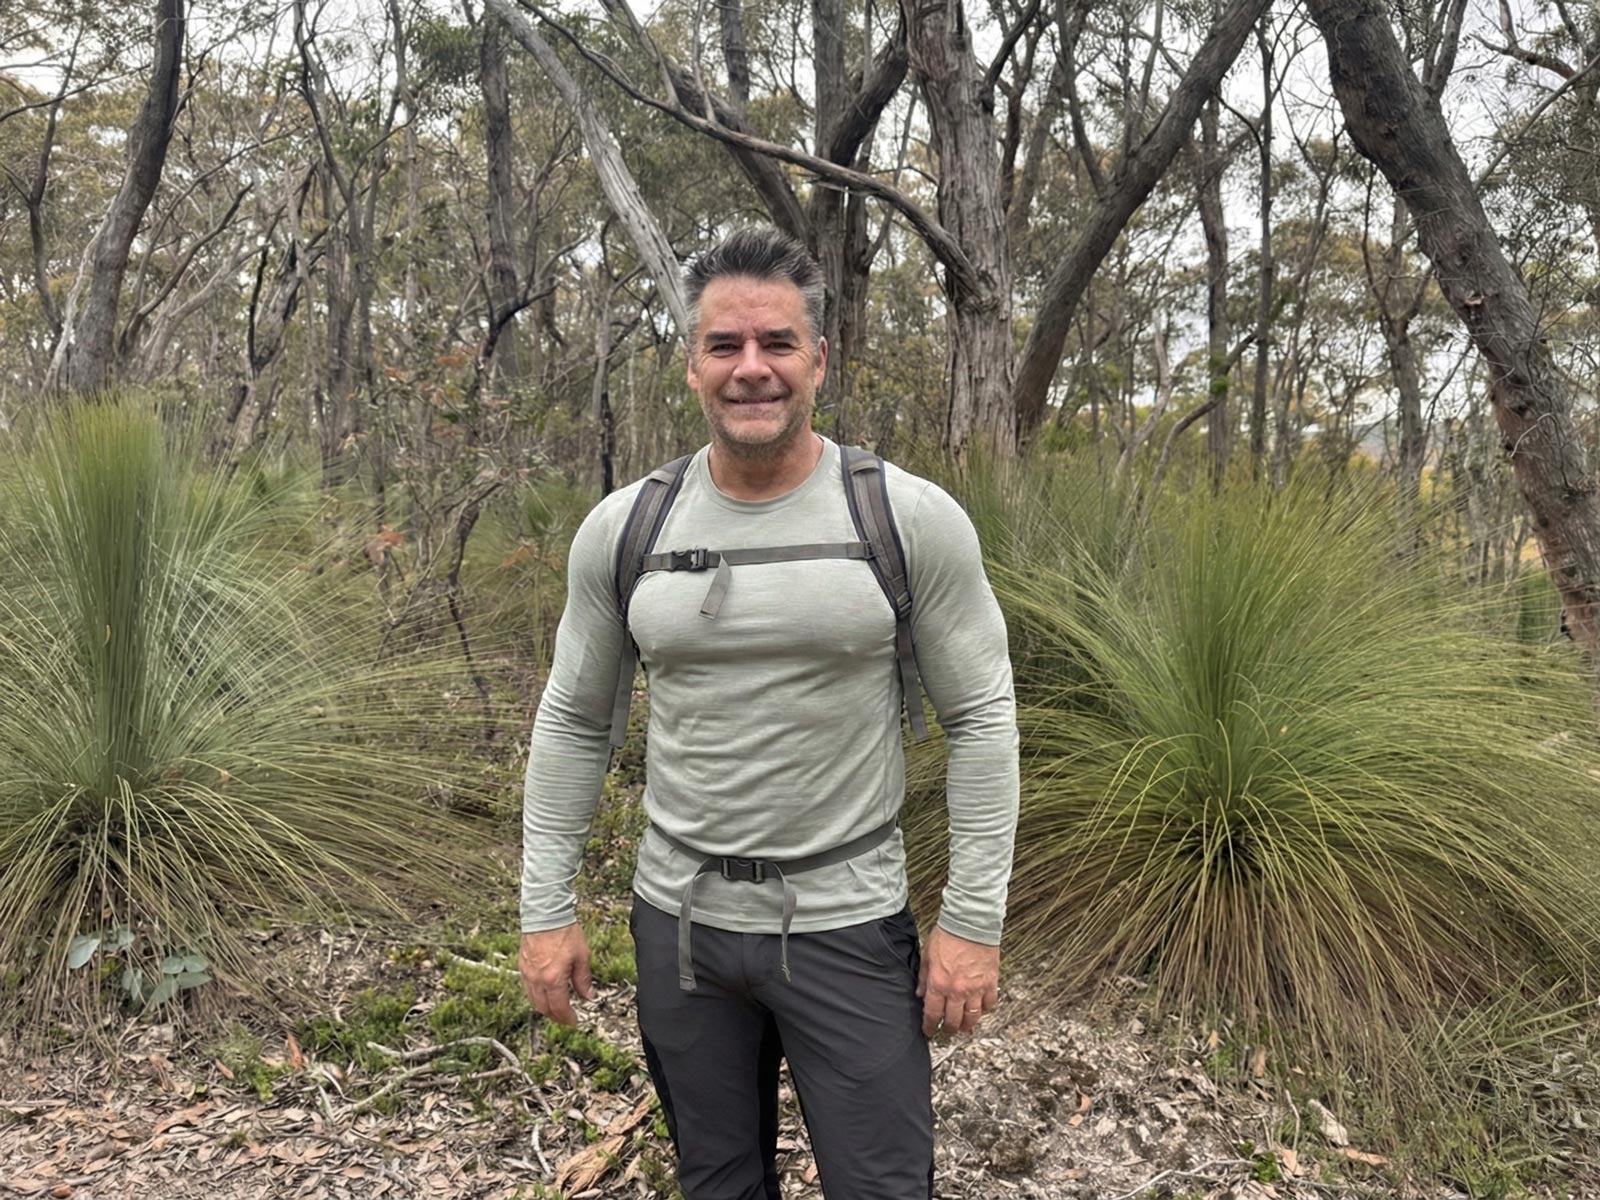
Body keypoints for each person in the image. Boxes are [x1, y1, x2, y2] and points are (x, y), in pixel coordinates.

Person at [517, 226, 1019, 1200]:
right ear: (691, 365)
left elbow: (984, 720)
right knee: (716, 1181)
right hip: (680, 926)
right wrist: (543, 908)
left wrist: (971, 922)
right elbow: (577, 721)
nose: (753, 369)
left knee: (882, 1185)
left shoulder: (905, 519)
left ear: (819, 360)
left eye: (777, 344)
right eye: (725, 346)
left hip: (848, 921)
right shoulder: (627, 530)